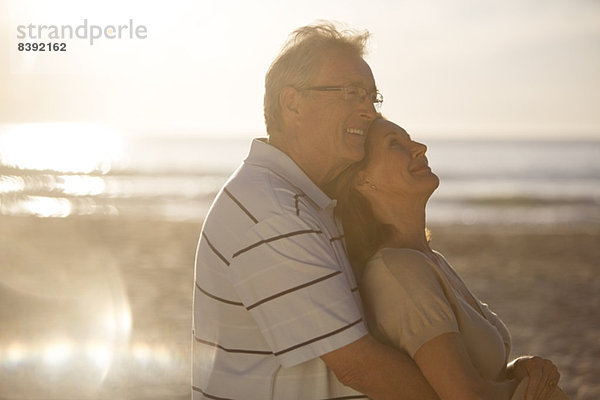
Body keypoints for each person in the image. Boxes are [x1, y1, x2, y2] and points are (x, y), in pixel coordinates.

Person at [192, 23, 441, 399]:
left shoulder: (310, 200)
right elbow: (359, 364)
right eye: (352, 93)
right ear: (292, 103)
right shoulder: (272, 214)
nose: (370, 112)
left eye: (372, 97)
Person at [326, 117, 570, 400]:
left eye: (410, 139)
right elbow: (465, 395)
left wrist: (518, 370)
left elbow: (462, 374)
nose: (420, 147)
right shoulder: (399, 270)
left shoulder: (428, 259)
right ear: (361, 179)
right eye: (395, 143)